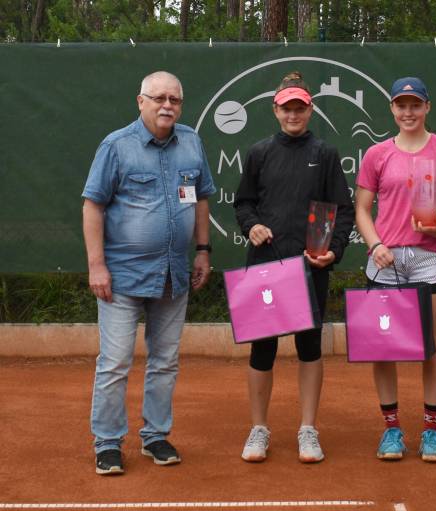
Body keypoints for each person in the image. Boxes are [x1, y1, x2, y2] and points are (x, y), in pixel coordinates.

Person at [82, 71, 216, 475]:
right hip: (122, 276)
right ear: (140, 101)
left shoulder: (191, 141)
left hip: (174, 275)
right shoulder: (116, 146)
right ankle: (107, 442)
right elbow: (93, 206)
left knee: (165, 361)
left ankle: (155, 435)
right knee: (116, 362)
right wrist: (97, 265)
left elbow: (201, 198)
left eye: (174, 99)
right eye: (158, 98)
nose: (167, 106)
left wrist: (203, 250)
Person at [234, 71, 353, 464]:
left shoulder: (326, 153)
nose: (293, 114)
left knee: (309, 348)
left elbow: (342, 210)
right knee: (262, 351)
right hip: (266, 267)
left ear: (310, 109)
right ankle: (258, 428)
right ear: (276, 110)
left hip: (310, 269)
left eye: (300, 107)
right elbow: (243, 203)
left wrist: (333, 251)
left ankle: (308, 430)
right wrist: (252, 226)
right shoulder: (258, 152)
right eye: (287, 107)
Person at [355, 77, 436, 463]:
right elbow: (362, 210)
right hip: (384, 259)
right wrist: (376, 245)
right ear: (392, 108)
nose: (408, 112)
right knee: (382, 348)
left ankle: (431, 432)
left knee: (432, 345)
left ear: (427, 107)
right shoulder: (376, 154)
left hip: (428, 258)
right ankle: (391, 429)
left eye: (415, 105)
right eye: (401, 105)